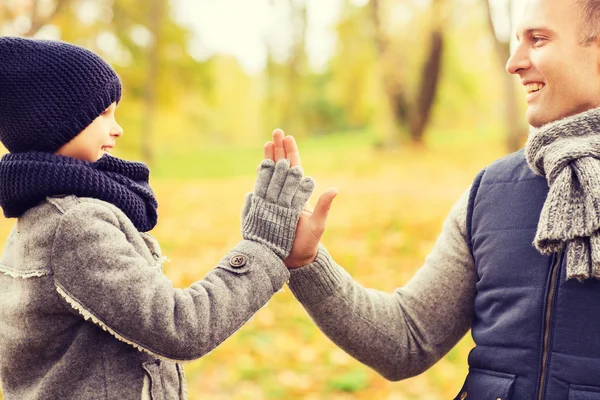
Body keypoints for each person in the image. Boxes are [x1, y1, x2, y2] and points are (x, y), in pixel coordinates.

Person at [270, 0, 600, 398]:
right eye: (517, 41)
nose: (513, 63)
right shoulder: (490, 192)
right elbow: (406, 340)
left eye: (539, 39)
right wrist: (307, 263)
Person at [0, 36, 319, 400]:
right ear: (54, 120)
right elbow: (180, 326)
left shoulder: (37, 216)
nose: (116, 128)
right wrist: (263, 246)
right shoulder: (76, 225)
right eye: (102, 113)